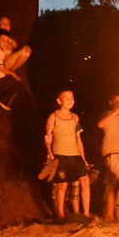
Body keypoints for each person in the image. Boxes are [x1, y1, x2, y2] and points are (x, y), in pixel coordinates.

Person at [44, 90, 91, 220]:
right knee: (62, 184)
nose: (70, 100)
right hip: (60, 154)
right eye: (66, 98)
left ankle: (86, 214)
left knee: (85, 181)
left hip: (75, 155)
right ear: (59, 101)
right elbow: (48, 136)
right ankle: (61, 215)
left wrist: (84, 159)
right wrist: (49, 152)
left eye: (72, 98)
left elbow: (78, 139)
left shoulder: (75, 118)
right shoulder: (53, 117)